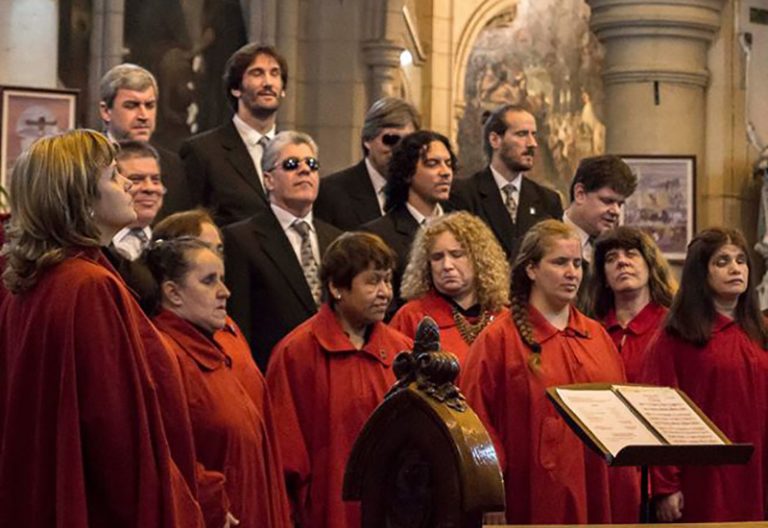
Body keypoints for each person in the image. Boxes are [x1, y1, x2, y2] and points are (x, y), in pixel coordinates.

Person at [0, 129, 203, 527]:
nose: (129, 183)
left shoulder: (38, 278)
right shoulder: (88, 285)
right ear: (80, 198)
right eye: (114, 176)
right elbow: (115, 430)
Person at [461, 219, 639, 525]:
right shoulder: (499, 339)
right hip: (532, 495)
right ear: (531, 269)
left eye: (577, 264)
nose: (572, 273)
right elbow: (475, 422)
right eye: (560, 263)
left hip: (598, 487)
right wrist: (489, 493)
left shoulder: (596, 336)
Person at [266, 231, 412, 528]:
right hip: (324, 513)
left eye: (387, 280)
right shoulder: (295, 353)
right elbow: (283, 453)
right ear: (335, 287)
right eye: (372, 281)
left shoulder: (403, 352)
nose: (385, 292)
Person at [145, 236, 292, 528]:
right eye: (209, 281)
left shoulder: (217, 345)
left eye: (222, 279)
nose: (225, 292)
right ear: (173, 292)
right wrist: (211, 502)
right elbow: (165, 452)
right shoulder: (163, 355)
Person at [641, 227, 768, 523]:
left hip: (759, 468)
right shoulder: (676, 336)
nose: (735, 268)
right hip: (705, 477)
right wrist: (666, 485)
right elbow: (658, 412)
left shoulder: (761, 331)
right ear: (701, 272)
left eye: (741, 260)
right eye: (722, 261)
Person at [223, 131, 341, 369]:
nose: (304, 170)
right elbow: (239, 322)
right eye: (291, 164)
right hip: (273, 369)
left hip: (334, 367)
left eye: (311, 164)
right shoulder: (241, 239)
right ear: (268, 180)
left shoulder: (337, 239)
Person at [180, 43, 288, 226]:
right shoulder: (202, 151)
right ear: (236, 88)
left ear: (283, 89)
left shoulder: (294, 152)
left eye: (274, 73)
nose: (268, 82)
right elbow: (187, 224)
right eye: (257, 73)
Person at [391, 211, 509, 364]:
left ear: (479, 259)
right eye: (437, 257)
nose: (446, 265)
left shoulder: (504, 318)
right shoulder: (411, 317)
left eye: (457, 255)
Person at [450, 104, 562, 260]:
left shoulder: (548, 201)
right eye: (522, 134)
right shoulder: (464, 194)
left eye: (533, 134)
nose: (532, 144)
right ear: (495, 140)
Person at [363, 130, 456, 309]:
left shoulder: (463, 228)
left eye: (448, 164)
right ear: (407, 173)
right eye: (432, 164)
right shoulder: (378, 235)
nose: (445, 172)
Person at [99, 63, 191, 219]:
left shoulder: (174, 166)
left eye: (149, 106)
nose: (144, 116)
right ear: (106, 111)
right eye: (131, 106)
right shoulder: (85, 161)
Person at [314, 97, 420, 230]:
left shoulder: (419, 191)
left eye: (407, 142)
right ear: (367, 140)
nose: (399, 149)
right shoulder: (331, 193)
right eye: (391, 139)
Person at [590, 226, 676, 381]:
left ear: (650, 266)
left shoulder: (673, 327)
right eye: (611, 258)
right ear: (604, 278)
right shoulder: (592, 330)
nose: (622, 261)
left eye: (631, 254)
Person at [562, 154, 637, 311]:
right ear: (580, 194)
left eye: (620, 204)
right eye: (607, 201)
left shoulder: (615, 248)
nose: (616, 211)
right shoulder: (542, 240)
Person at [111, 140, 166, 260]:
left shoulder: (173, 242)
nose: (150, 188)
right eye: (136, 180)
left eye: (155, 180)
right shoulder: (90, 246)